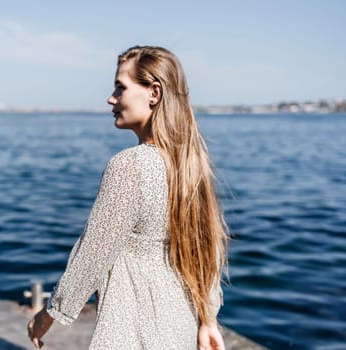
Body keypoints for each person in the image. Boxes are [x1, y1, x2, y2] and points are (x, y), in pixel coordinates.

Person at [27, 45, 229, 350]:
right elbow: (206, 251)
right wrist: (208, 319)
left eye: (120, 88)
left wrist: (47, 316)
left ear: (154, 93)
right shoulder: (189, 165)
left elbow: (92, 256)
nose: (111, 98)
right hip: (180, 327)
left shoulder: (130, 165)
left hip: (135, 332)